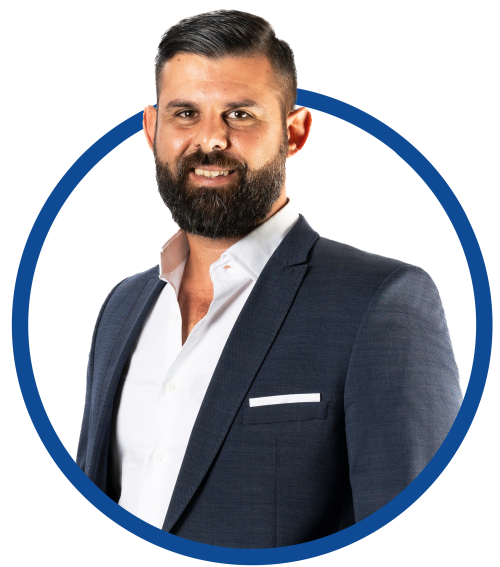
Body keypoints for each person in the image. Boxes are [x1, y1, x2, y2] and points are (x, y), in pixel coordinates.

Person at [76, 9, 463, 548]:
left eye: (239, 114)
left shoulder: (381, 302)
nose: (211, 140)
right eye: (185, 113)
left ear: (294, 132)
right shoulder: (123, 305)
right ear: (152, 129)